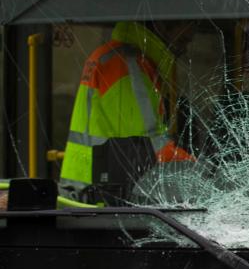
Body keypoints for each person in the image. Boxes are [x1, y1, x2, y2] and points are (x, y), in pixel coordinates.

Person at [59, 21, 195, 200]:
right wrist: (199, 172)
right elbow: (147, 143)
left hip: (88, 191)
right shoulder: (127, 65)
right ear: (162, 26)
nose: (184, 49)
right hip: (98, 200)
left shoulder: (119, 57)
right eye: (183, 40)